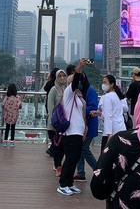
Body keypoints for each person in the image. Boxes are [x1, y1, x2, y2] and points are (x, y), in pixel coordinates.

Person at [56, 59, 87, 196]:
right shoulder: (68, 93)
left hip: (78, 132)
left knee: (74, 158)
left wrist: (84, 128)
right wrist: (79, 69)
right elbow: (75, 82)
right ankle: (63, 184)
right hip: (70, 133)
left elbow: (81, 113)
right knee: (70, 159)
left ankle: (69, 183)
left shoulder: (78, 97)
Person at [91, 75, 127, 151]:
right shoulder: (117, 96)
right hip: (121, 129)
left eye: (105, 82)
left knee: (105, 160)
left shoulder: (107, 97)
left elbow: (109, 116)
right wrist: (99, 114)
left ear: (111, 84)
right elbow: (114, 114)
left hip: (110, 133)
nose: (103, 84)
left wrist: (109, 134)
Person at [74, 72, 99, 183]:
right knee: (80, 148)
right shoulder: (78, 91)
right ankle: (81, 173)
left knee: (84, 148)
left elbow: (93, 107)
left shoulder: (90, 91)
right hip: (81, 124)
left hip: (89, 124)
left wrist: (80, 110)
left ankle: (98, 170)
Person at [47, 69, 67, 176]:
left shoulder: (68, 90)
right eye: (60, 76)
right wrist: (53, 122)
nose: (62, 78)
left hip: (64, 124)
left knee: (63, 146)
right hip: (54, 124)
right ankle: (58, 165)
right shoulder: (53, 90)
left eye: (64, 76)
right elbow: (50, 107)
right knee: (55, 146)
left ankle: (58, 164)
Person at [43, 67, 60, 157]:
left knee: (50, 124)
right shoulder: (59, 83)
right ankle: (54, 146)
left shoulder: (50, 83)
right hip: (58, 107)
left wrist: (48, 78)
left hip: (50, 106)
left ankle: (53, 147)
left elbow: (45, 88)